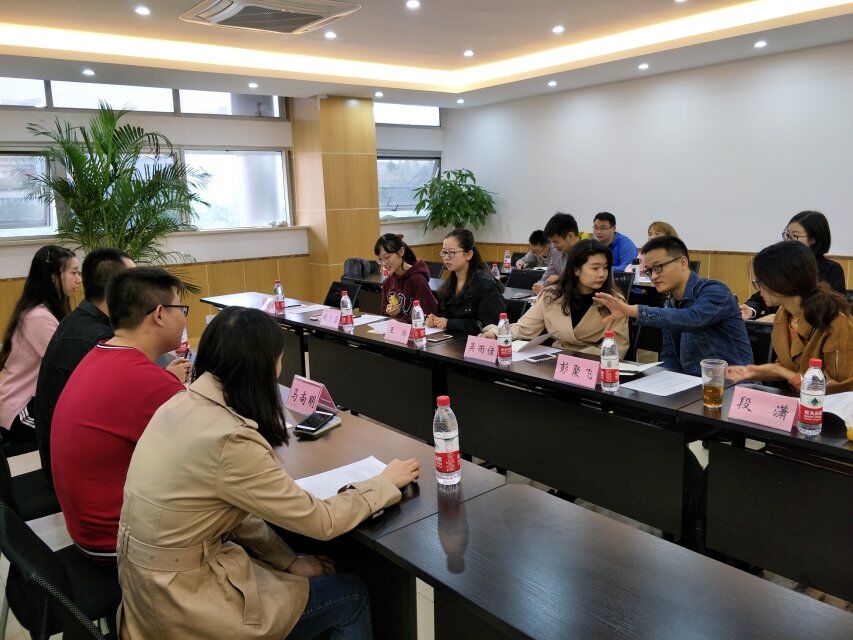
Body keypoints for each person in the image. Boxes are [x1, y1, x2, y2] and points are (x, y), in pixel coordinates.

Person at [116, 306, 420, 639]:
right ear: (264, 365)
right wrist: (382, 483)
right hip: (185, 605)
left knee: (292, 571)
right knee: (351, 595)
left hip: (147, 589)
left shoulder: (179, 404)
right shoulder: (230, 438)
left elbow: (234, 512)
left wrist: (288, 561)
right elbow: (322, 521)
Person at [51, 267, 191, 561]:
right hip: (119, 545)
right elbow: (208, 460)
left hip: (86, 531)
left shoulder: (101, 353)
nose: (184, 318)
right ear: (160, 314)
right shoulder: (148, 382)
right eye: (182, 308)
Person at [33, 248, 135, 486]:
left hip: (58, 459)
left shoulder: (80, 318)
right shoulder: (99, 338)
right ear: (117, 290)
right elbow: (123, 408)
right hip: (74, 474)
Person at [594, 236, 752, 376]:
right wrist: (668, 381)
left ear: (683, 263)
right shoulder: (670, 303)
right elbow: (669, 355)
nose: (653, 276)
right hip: (691, 385)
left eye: (657, 267)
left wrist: (631, 310)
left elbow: (692, 319)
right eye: (648, 271)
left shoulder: (715, 291)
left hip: (731, 385)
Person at [727, 241, 851, 393]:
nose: (759, 290)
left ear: (781, 281)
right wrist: (756, 371)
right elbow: (789, 365)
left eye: (760, 282)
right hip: (796, 401)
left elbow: (841, 388)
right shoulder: (783, 314)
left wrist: (780, 371)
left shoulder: (835, 322)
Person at [482, 240, 629, 356]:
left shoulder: (615, 302)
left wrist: (575, 359)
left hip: (594, 364)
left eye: (605, 267)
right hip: (556, 361)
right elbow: (524, 327)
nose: (602, 274)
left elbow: (617, 348)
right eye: (595, 268)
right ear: (576, 270)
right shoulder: (552, 295)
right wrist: (495, 333)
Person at [0, 245, 80, 453]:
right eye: (73, 273)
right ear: (53, 278)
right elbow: (68, 365)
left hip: (35, 402)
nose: (79, 279)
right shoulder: (38, 316)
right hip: (21, 409)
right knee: (75, 429)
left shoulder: (48, 311)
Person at [740, 211, 846, 321]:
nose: (788, 241)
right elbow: (763, 294)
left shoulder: (831, 269)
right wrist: (751, 309)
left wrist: (781, 317)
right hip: (773, 325)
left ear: (813, 239)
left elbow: (831, 308)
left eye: (795, 236)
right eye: (787, 235)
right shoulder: (782, 264)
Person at [426, 228, 506, 335]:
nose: (446, 257)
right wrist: (436, 320)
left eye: (451, 253)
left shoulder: (486, 285)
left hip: (476, 341)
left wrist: (449, 323)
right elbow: (446, 315)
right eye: (444, 252)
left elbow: (490, 325)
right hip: (452, 339)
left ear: (468, 255)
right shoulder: (449, 284)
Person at [374, 233, 438, 322]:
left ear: (401, 252)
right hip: (395, 328)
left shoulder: (417, 279)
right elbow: (383, 312)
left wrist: (399, 320)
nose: (384, 263)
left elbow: (426, 312)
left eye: (387, 257)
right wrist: (388, 311)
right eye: (380, 259)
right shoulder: (387, 282)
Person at [532, 212, 581, 295]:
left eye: (556, 242)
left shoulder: (589, 252)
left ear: (570, 236)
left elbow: (582, 286)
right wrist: (539, 286)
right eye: (552, 242)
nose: (554, 246)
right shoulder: (556, 252)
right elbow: (547, 277)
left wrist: (559, 280)